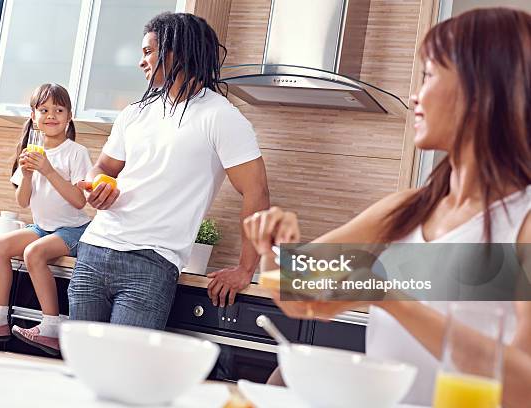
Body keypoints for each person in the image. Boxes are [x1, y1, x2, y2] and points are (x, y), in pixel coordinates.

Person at [244, 8, 530, 408]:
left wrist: (391, 298)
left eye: (429, 75)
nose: (415, 94)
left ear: (480, 90)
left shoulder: (523, 223)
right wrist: (271, 247)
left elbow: (524, 386)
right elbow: (297, 292)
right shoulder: (408, 210)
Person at [68, 13, 270, 329]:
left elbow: (257, 192)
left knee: (128, 370)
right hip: (94, 250)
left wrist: (246, 269)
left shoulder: (221, 117)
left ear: (178, 51)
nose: (141, 62)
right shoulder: (135, 113)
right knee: (78, 365)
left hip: (151, 262)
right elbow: (103, 167)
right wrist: (97, 185)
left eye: (148, 51)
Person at [0, 83, 93, 355]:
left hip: (74, 230)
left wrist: (48, 169)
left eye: (58, 109)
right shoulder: (30, 152)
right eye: (44, 110)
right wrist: (30, 174)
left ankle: (51, 327)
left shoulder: (75, 153)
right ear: (33, 116)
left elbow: (80, 201)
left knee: (33, 253)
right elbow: (22, 202)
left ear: (69, 116)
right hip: (42, 228)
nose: (51, 115)